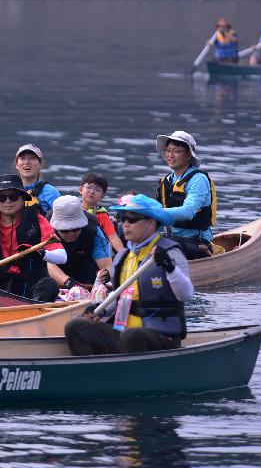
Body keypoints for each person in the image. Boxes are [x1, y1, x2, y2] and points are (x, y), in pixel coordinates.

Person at [64, 194, 193, 355]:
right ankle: (93, 373)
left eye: (132, 219)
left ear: (151, 222)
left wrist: (170, 268)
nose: (125, 224)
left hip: (160, 337)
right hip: (124, 333)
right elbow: (118, 297)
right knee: (75, 326)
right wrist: (100, 309)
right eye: (123, 218)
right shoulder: (122, 256)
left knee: (132, 336)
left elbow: (186, 294)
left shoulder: (170, 252)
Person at [0, 174, 66, 302]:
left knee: (50, 285)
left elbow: (62, 257)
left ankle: (32, 312)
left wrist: (40, 253)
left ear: (22, 199)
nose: (8, 201)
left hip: (29, 285)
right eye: (2, 198)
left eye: (13, 197)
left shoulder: (38, 221)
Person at [155, 130, 216, 260]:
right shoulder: (166, 181)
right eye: (168, 150)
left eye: (176, 151)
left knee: (165, 245)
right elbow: (156, 218)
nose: (170, 155)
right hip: (173, 240)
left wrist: (154, 212)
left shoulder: (198, 179)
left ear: (188, 155)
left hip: (198, 244)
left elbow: (188, 212)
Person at [47, 195, 113, 291]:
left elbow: (107, 266)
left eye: (75, 229)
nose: (71, 234)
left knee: (90, 268)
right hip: (55, 276)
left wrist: (105, 275)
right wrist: (70, 284)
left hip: (82, 273)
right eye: (65, 230)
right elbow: (50, 265)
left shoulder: (93, 230)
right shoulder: (47, 230)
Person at [79, 172, 125, 254]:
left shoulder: (101, 214)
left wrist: (123, 255)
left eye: (97, 190)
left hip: (94, 253)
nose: (92, 191)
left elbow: (113, 237)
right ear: (81, 190)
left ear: (102, 195)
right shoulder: (72, 208)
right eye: (89, 187)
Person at [14, 143, 61, 213]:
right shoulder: (10, 191)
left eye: (32, 158)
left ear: (40, 165)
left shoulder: (51, 192)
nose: (26, 162)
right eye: (22, 158)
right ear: (17, 165)